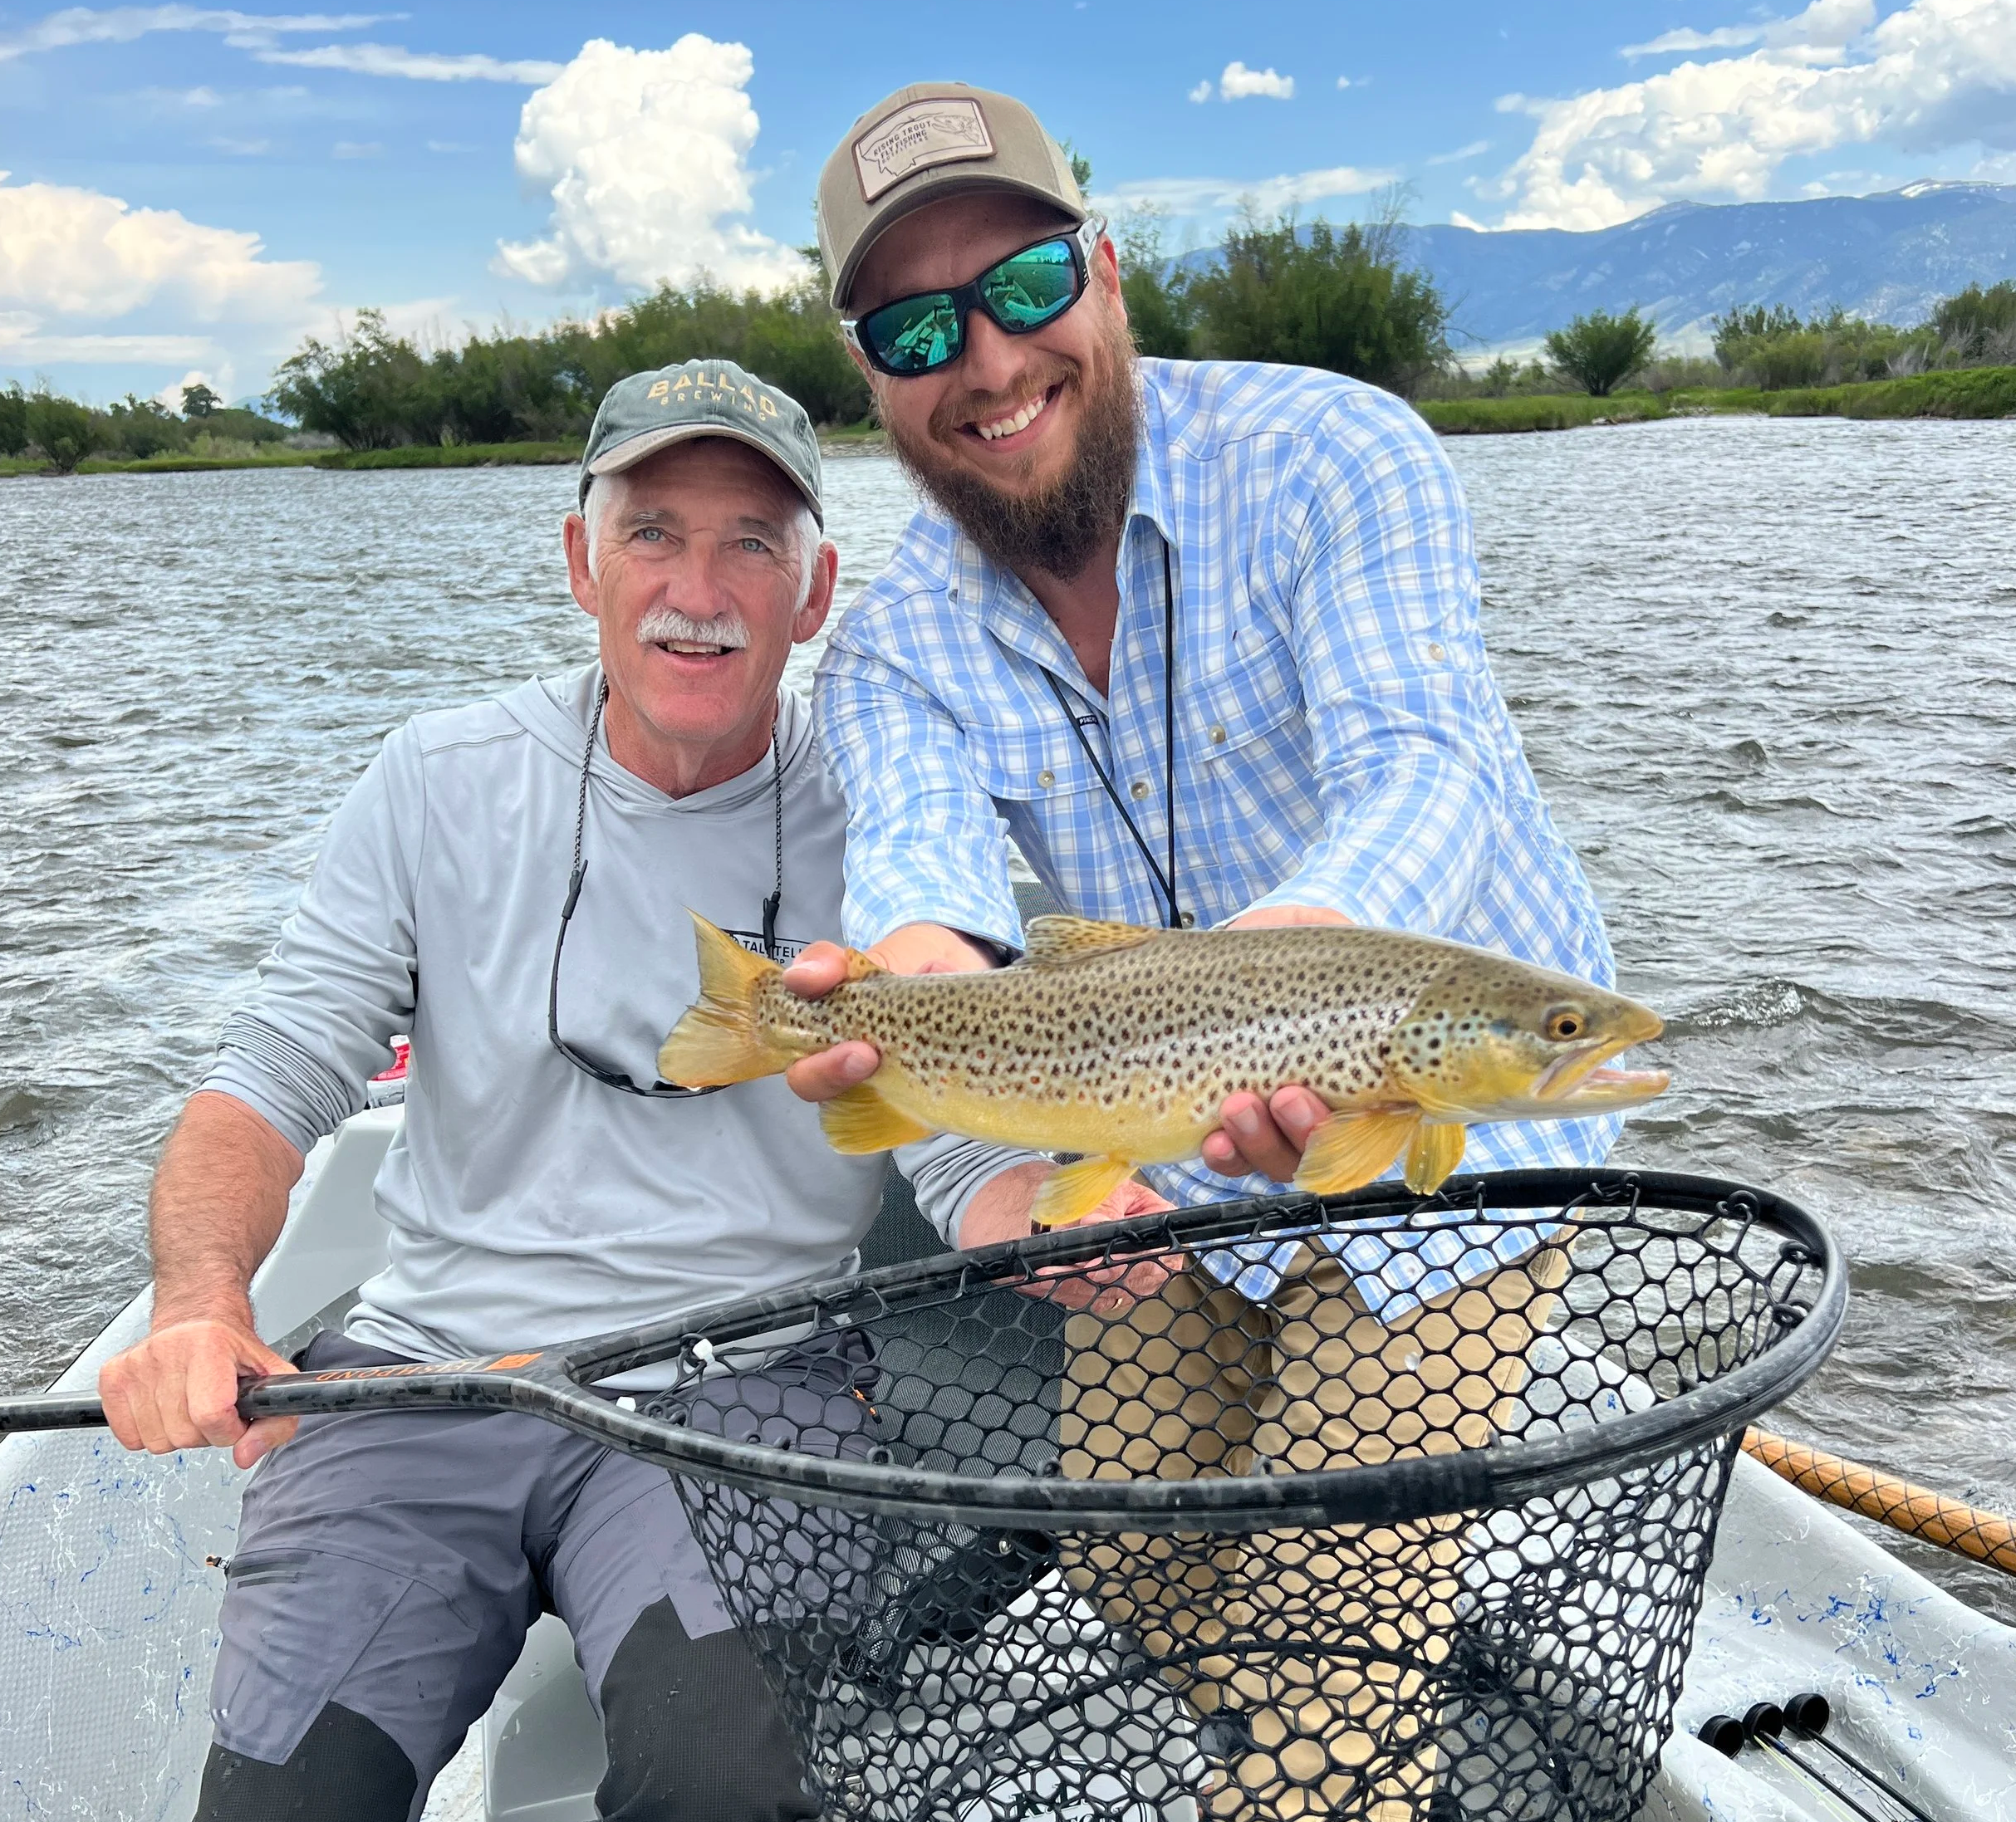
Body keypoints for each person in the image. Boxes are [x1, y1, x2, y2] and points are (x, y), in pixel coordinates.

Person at [93, 359, 1130, 1822]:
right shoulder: (436, 778)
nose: (694, 588)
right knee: (281, 1801)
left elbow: (957, 1141)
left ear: (816, 591)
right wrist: (200, 1301)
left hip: (747, 1384)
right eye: (653, 532)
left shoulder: (899, 810)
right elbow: (265, 1080)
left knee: (725, 1788)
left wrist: (1062, 1224)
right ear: (582, 559)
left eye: (750, 544)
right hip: (423, 1375)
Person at [782, 83, 1633, 1820]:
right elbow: (922, 885)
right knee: (1123, 1517)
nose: (987, 359)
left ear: (1102, 267)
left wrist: (1294, 976)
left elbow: (1425, 758)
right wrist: (918, 999)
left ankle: (1331, 1754)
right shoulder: (885, 653)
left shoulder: (1333, 453)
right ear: (870, 377)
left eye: (1020, 286)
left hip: (1448, 1130)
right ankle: (1325, 1743)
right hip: (1178, 1158)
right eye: (915, 326)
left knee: (1324, 1647)